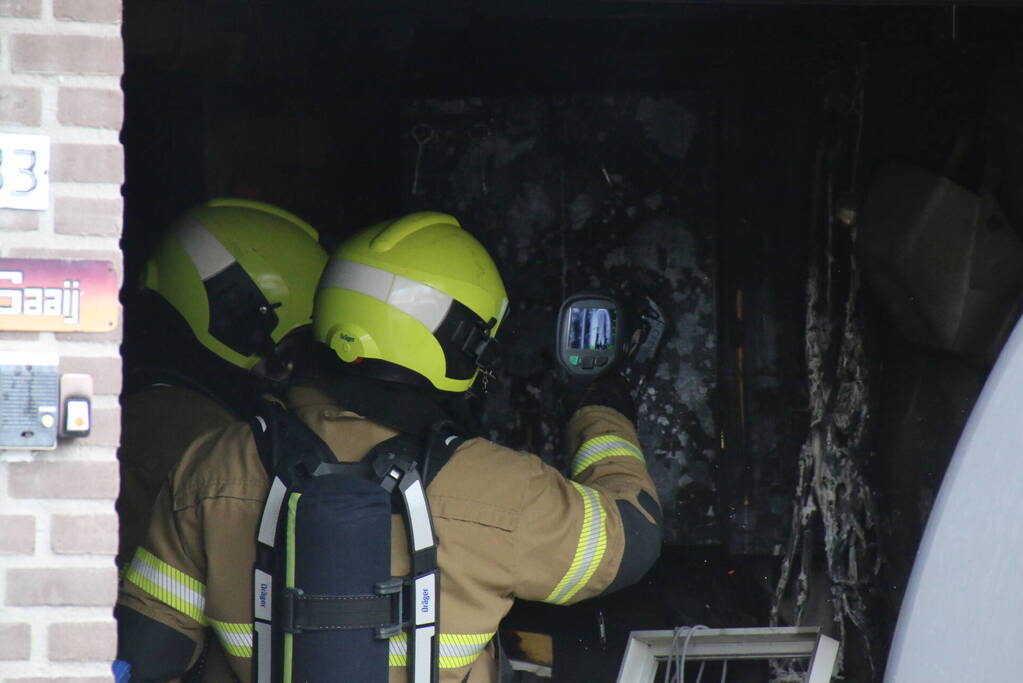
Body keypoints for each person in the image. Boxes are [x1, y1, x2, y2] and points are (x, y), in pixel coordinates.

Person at [115, 211, 662, 682]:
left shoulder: (213, 468)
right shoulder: (504, 491)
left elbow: (148, 652)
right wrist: (600, 410)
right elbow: (628, 541)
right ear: (460, 344)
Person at [115, 198, 328, 679]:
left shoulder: (147, 404)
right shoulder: (207, 439)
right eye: (295, 346)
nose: (294, 370)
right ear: (245, 322)